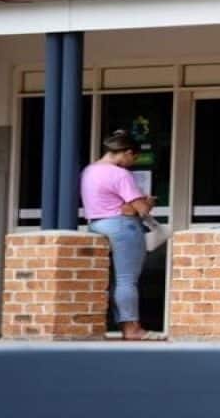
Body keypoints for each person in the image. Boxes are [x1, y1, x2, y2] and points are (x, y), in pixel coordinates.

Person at [82, 130, 160, 340]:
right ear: (126, 152)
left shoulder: (89, 171)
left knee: (110, 281)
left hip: (96, 225)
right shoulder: (120, 174)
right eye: (132, 158)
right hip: (123, 227)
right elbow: (141, 209)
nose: (131, 163)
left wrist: (129, 206)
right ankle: (132, 329)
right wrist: (147, 202)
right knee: (126, 280)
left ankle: (119, 325)